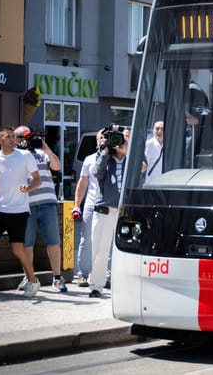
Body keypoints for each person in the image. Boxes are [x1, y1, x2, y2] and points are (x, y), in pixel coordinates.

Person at [0, 126, 43, 298]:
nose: (13, 139)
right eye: (8, 136)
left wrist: (27, 187)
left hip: (19, 210)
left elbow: (37, 180)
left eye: (14, 136)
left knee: (17, 250)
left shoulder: (25, 156)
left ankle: (33, 280)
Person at [14, 125, 67, 293]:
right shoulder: (15, 157)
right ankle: (29, 277)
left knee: (53, 242)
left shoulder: (42, 153)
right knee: (26, 244)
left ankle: (57, 278)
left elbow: (57, 166)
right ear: (17, 139)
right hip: (26, 205)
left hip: (47, 203)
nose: (28, 139)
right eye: (24, 136)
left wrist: (46, 147)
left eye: (29, 135)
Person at [88, 127, 129, 298]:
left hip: (124, 212)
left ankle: (125, 284)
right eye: (116, 138)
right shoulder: (104, 156)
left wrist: (127, 151)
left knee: (126, 251)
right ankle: (96, 285)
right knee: (100, 249)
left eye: (124, 138)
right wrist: (105, 150)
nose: (119, 141)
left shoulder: (133, 157)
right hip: (105, 210)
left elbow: (142, 169)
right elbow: (97, 172)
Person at [72, 131, 105, 288]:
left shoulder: (117, 158)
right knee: (86, 238)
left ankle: (108, 275)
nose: (103, 140)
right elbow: (82, 183)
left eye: (105, 138)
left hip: (110, 205)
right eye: (100, 138)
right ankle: (83, 274)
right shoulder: (89, 159)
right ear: (97, 141)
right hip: (92, 204)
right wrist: (77, 204)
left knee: (109, 240)